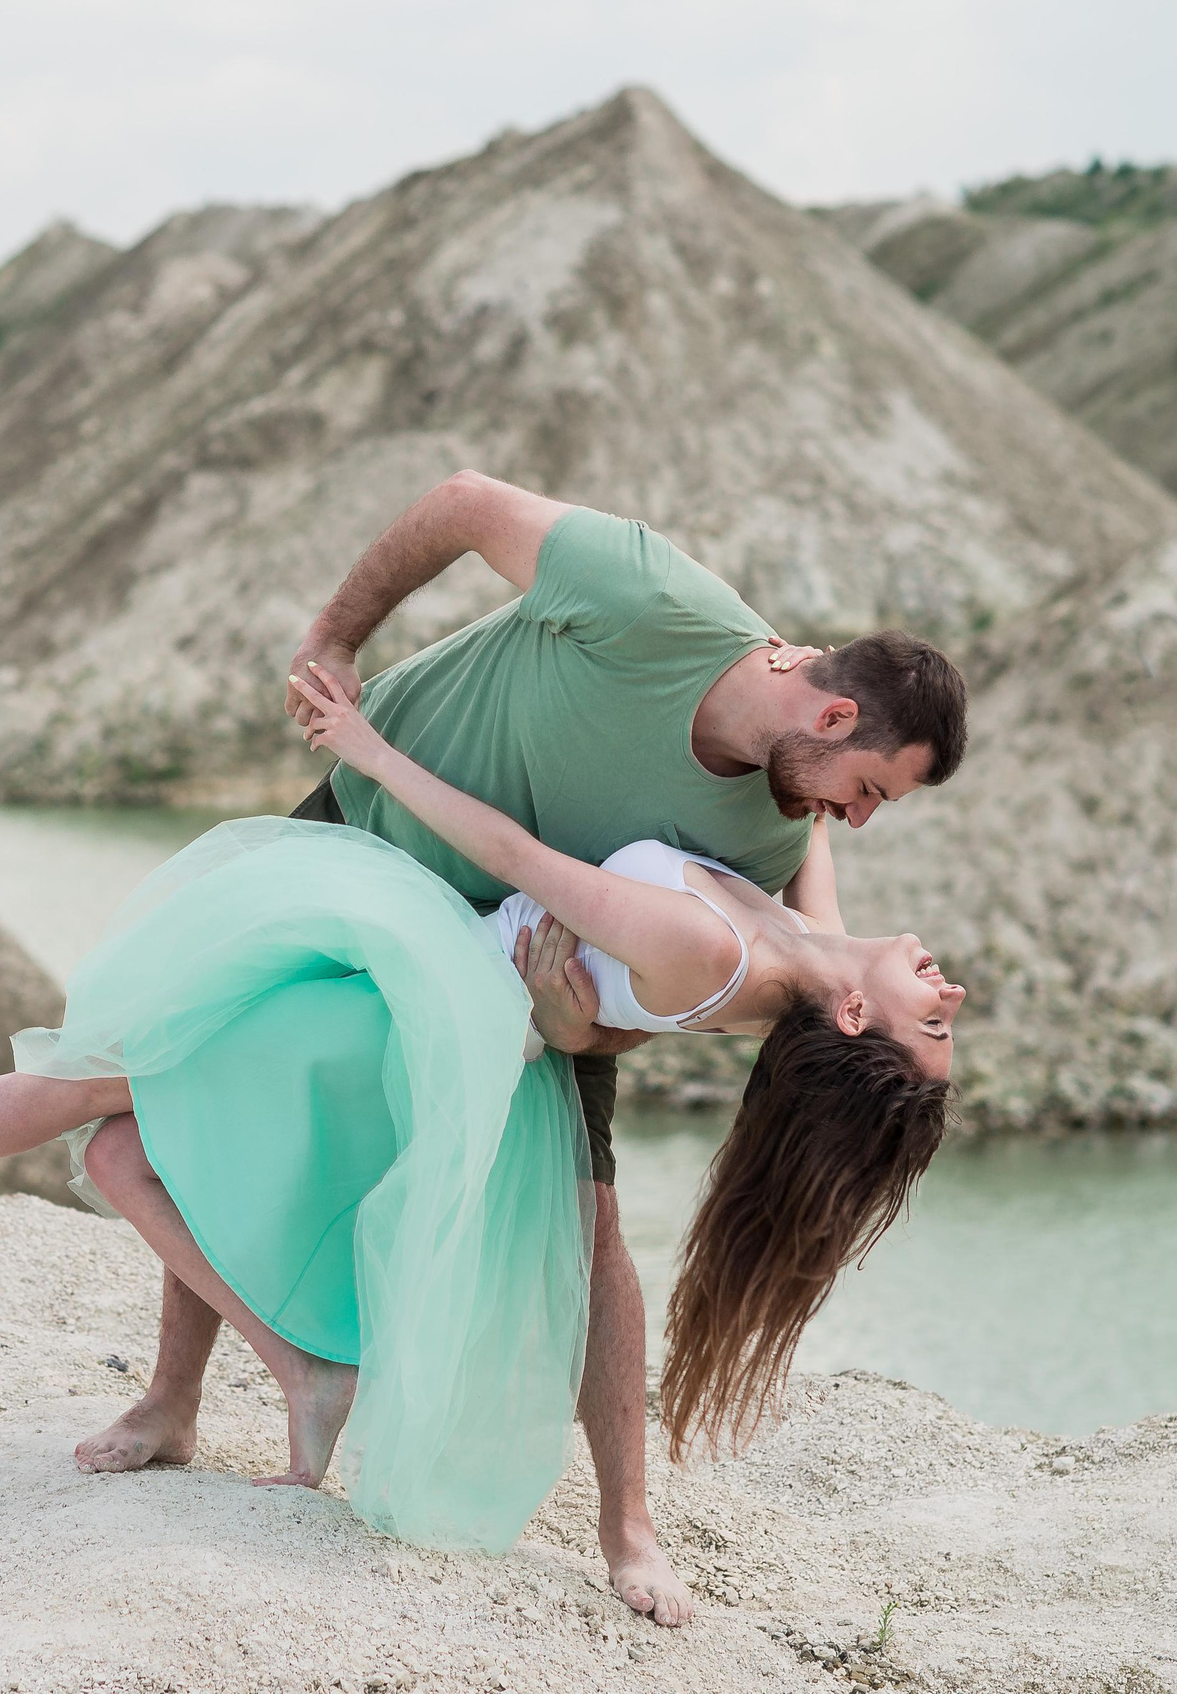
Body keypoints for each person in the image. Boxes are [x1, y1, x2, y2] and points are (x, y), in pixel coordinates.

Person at [0, 658, 964, 1567]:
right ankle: (297, 1374)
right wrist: (796, 699)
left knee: (115, 1081)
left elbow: (522, 862)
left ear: (856, 1024)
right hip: (443, 988)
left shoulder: (708, 945)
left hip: (427, 1008)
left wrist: (366, 751)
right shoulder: (810, 946)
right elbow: (813, 815)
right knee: (125, 1140)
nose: (949, 986)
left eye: (937, 1019)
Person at [195, 472, 966, 1625]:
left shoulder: (777, 816)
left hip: (532, 942)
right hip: (371, 825)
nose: (852, 818)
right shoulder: (652, 597)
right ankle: (168, 1403)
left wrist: (570, 1029)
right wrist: (333, 639)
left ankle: (628, 1526)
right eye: (867, 791)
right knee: (202, 1048)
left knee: (592, 1220)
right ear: (835, 716)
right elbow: (459, 501)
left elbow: (663, 997)